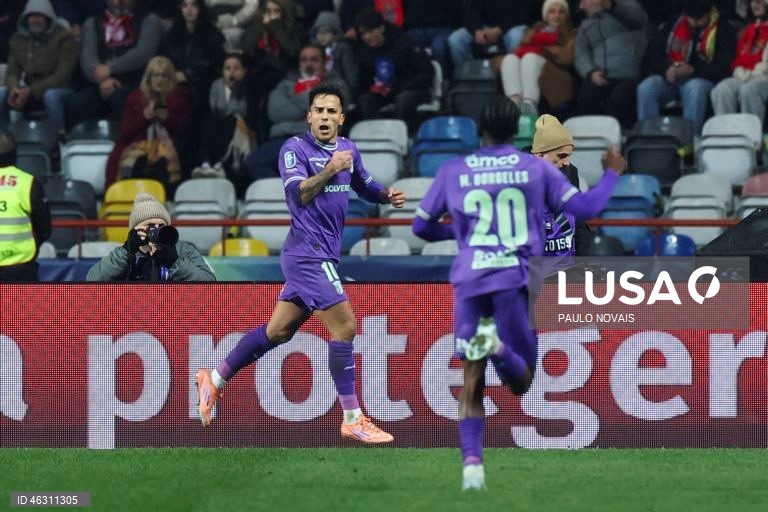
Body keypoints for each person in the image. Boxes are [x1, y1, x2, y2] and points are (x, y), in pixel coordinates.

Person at [412, 96, 624, 490]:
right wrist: (612, 173)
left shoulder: (454, 169)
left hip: (470, 281)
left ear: (480, 131)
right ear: (518, 133)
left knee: (471, 380)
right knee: (522, 382)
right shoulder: (531, 169)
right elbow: (589, 207)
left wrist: (461, 232)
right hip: (515, 278)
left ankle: (472, 470)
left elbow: (421, 228)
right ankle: (497, 348)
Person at [195, 82, 406, 443]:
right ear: (309, 116)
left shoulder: (348, 150)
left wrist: (386, 195)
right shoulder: (294, 149)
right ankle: (353, 417)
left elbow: (365, 184)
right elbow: (299, 193)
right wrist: (328, 169)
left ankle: (213, 378)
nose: (324, 117)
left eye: (331, 111)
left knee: (278, 331)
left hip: (321, 254)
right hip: (307, 253)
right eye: (318, 111)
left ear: (341, 118)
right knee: (345, 328)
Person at [637, 0, 737, 134]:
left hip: (702, 78)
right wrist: (666, 69)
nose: (694, 23)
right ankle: (649, 138)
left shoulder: (723, 28)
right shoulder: (674, 24)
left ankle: (689, 140)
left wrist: (694, 70)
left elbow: (725, 67)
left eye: (699, 18)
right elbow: (652, 55)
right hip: (671, 79)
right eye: (690, 18)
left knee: (694, 88)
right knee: (646, 87)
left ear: (709, 13)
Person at [66, 0, 164, 128]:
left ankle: (126, 145)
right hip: (101, 83)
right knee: (79, 103)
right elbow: (88, 58)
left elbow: (143, 53)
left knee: (119, 99)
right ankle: (79, 146)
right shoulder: (92, 23)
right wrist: (102, 79)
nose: (119, 2)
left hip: (137, 82)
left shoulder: (150, 20)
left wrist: (110, 68)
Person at [86, 192, 216, 281]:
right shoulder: (125, 253)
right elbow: (92, 280)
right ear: (136, 228)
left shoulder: (183, 250)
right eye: (151, 225)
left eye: (162, 225)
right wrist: (126, 251)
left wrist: (174, 262)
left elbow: (210, 283)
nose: (157, 229)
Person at [104, 56, 189, 191]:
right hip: (137, 143)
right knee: (131, 160)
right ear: (148, 77)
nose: (160, 80)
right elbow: (126, 131)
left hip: (167, 145)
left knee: (164, 161)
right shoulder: (135, 97)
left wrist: (167, 118)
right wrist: (144, 117)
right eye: (155, 76)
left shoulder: (178, 98)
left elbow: (183, 130)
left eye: (164, 76)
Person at [0, 0, 79, 133]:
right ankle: (5, 142)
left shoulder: (65, 38)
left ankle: (58, 141)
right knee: (2, 95)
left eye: (39, 15)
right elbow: (12, 73)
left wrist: (30, 91)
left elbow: (62, 76)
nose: (34, 20)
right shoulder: (18, 39)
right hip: (29, 91)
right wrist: (15, 88)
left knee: (51, 96)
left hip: (62, 89)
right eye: (31, 16)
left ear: (48, 17)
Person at [574, 0, 647, 128]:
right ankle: (589, 137)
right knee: (586, 96)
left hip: (628, 75)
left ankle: (621, 138)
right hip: (600, 75)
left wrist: (610, 5)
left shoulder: (625, 12)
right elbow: (581, 54)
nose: (582, 5)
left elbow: (637, 16)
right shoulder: (585, 26)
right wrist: (591, 72)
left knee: (618, 99)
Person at [500, 0, 575, 116]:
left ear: (566, 15)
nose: (557, 15)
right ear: (546, 16)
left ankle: (530, 105)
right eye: (552, 12)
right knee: (510, 59)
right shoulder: (533, 32)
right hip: (530, 67)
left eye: (561, 12)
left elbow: (567, 59)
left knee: (530, 57)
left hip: (558, 76)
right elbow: (517, 51)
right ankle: (514, 102)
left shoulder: (572, 33)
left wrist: (545, 48)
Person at [0, 129, 52, 282]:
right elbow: (44, 229)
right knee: (20, 307)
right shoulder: (27, 183)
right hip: (20, 269)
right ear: (15, 154)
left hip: (20, 269)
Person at [710, 0, 768, 121]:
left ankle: (752, 137)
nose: (755, 4)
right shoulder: (747, 29)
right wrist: (741, 72)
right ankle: (726, 135)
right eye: (752, 1)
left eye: (760, 1)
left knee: (749, 90)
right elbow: (739, 59)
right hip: (746, 76)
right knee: (722, 89)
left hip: (763, 76)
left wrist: (752, 74)